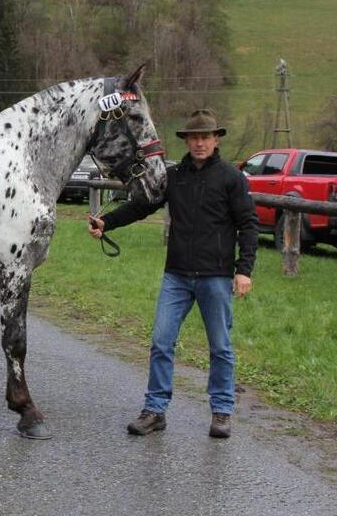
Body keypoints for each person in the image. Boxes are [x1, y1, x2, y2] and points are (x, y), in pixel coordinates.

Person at [88, 109, 257, 439]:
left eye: (205, 137)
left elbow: (248, 225)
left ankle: (222, 411)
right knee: (161, 342)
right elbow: (143, 205)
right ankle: (155, 410)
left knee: (220, 347)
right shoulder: (174, 176)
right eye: (193, 138)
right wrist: (108, 222)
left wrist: (244, 270)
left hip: (215, 276)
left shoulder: (231, 178)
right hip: (177, 275)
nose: (199, 143)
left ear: (216, 139)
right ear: (186, 141)